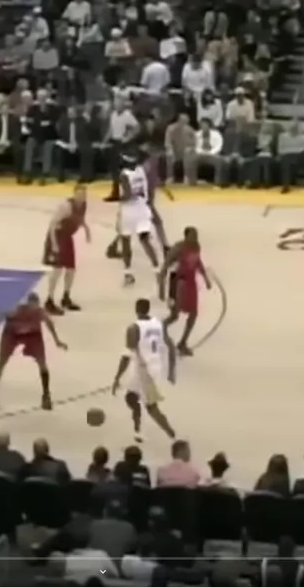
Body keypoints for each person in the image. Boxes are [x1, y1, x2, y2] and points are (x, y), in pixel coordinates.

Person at [112, 298, 177, 442]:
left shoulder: (133, 328)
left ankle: (172, 435)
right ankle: (138, 429)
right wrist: (172, 370)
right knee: (131, 397)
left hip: (146, 371)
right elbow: (171, 346)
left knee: (152, 407)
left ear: (136, 309)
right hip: (150, 367)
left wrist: (117, 377)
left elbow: (126, 356)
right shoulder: (158, 324)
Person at [0, 293, 67, 412]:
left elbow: (49, 323)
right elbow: (1, 314)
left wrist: (57, 341)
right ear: (27, 305)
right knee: (2, 360)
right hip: (12, 333)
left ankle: (46, 394)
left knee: (42, 363)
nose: (34, 309)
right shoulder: (16, 311)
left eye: (36, 306)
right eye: (32, 306)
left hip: (32, 335)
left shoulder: (39, 312)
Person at [159, 226, 211, 358]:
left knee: (193, 314)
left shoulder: (196, 246)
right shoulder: (178, 248)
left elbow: (198, 262)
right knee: (174, 315)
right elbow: (165, 266)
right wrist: (161, 288)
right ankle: (157, 329)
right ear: (186, 236)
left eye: (196, 235)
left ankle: (182, 342)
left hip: (191, 283)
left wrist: (205, 278)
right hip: (179, 283)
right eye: (193, 235)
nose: (195, 237)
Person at [114, 153, 163, 287]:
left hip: (129, 211)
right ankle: (157, 270)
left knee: (126, 241)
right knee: (145, 241)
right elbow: (146, 192)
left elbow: (127, 195)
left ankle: (128, 273)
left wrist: (116, 198)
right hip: (142, 208)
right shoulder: (141, 171)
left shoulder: (124, 175)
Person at [43, 184, 91, 314]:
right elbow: (52, 224)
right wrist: (54, 244)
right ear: (74, 194)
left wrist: (87, 230)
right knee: (57, 270)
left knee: (71, 269)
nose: (82, 197)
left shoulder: (83, 205)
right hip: (57, 237)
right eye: (79, 194)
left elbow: (80, 219)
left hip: (67, 237)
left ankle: (66, 297)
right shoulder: (66, 206)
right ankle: (49, 300)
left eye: (84, 194)